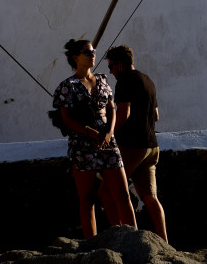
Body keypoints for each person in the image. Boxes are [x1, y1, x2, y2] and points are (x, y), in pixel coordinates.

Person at [52, 39, 136, 238]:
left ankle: (135, 238)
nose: (92, 55)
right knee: (87, 198)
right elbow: (66, 119)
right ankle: (91, 243)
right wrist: (90, 132)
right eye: (87, 52)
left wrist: (109, 133)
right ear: (75, 57)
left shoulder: (103, 79)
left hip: (107, 141)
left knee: (123, 195)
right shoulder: (67, 86)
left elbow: (111, 109)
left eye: (93, 51)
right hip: (83, 143)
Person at [106, 44, 167, 243]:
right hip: (152, 146)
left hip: (132, 145)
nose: (111, 71)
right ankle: (164, 242)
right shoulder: (148, 80)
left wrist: (109, 134)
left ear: (121, 64)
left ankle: (125, 240)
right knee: (150, 197)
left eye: (112, 66)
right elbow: (156, 116)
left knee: (108, 191)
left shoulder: (124, 81)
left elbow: (123, 114)